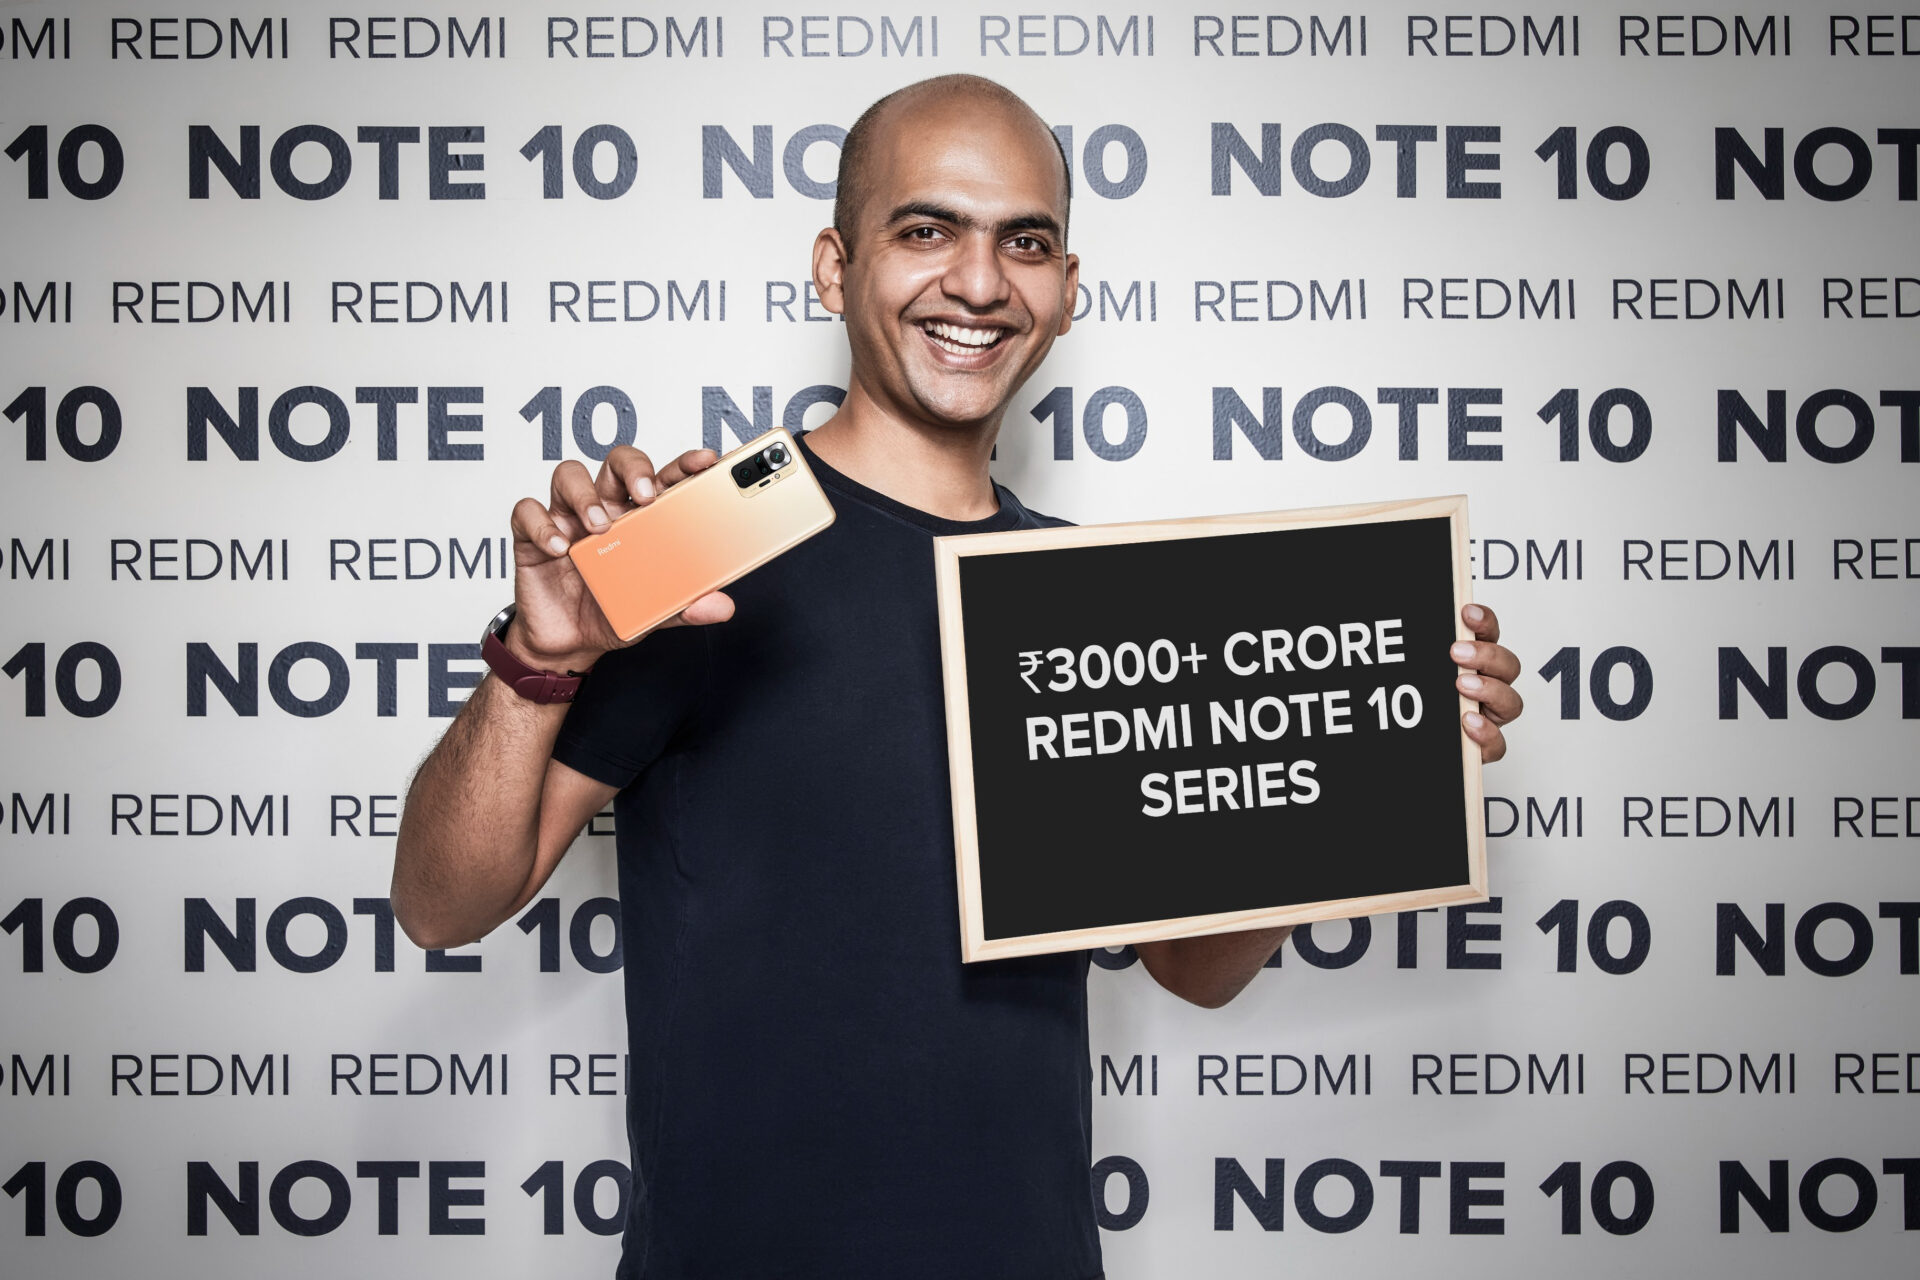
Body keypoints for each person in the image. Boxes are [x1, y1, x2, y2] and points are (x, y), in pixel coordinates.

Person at [391, 74, 1523, 1279]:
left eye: (1023, 242)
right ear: (834, 267)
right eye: (926, 229)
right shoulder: (705, 540)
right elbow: (441, 904)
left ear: (1067, 291)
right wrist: (539, 661)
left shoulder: (1098, 602)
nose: (979, 283)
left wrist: (1355, 766)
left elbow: (1195, 968)